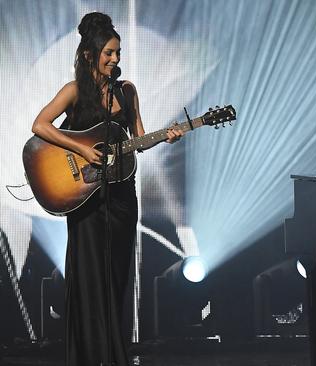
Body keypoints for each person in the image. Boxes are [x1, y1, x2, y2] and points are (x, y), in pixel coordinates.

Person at [31, 12, 183, 366]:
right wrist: (82, 148)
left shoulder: (127, 91)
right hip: (84, 199)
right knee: (88, 281)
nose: (115, 59)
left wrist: (169, 136)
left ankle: (114, 354)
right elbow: (39, 125)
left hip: (121, 200)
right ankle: (88, 356)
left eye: (118, 53)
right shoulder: (74, 92)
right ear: (90, 55)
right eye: (109, 53)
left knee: (115, 278)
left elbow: (140, 140)